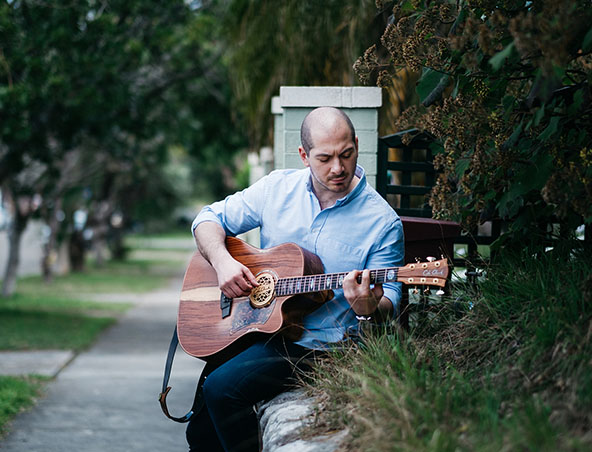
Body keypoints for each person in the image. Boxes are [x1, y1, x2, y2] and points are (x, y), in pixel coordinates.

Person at [187, 106, 404, 451]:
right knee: (199, 425)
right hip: (266, 326)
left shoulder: (382, 222)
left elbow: (390, 296)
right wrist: (224, 262)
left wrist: (367, 309)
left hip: (322, 346)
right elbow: (208, 218)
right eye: (325, 158)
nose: (338, 168)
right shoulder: (277, 189)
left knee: (222, 389)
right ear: (304, 155)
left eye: (347, 154)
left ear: (357, 145)